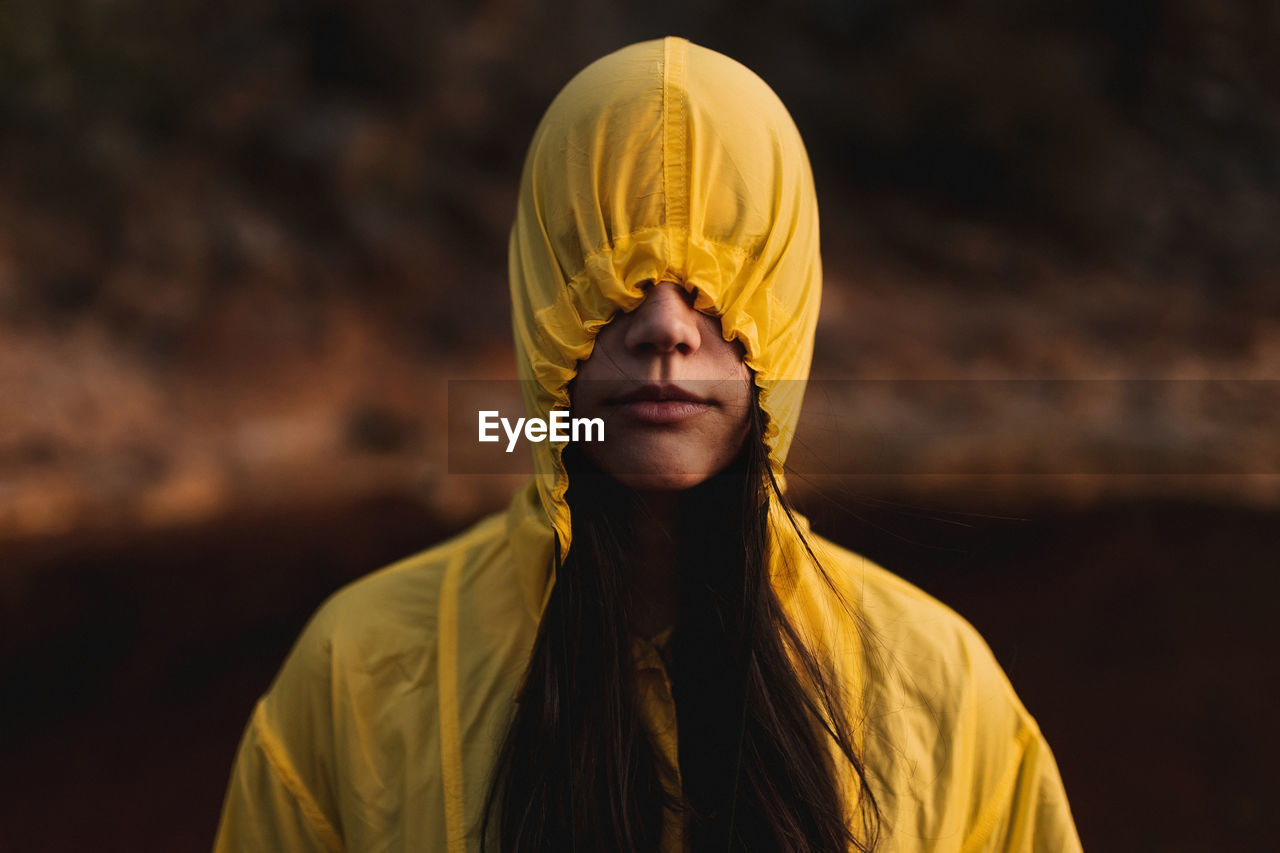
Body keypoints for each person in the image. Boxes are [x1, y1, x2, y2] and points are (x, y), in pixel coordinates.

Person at [213, 37, 1082, 852]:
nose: (664, 326)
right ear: (540, 288)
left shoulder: (942, 690)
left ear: (787, 301)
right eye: (610, 269)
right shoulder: (355, 674)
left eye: (718, 280)